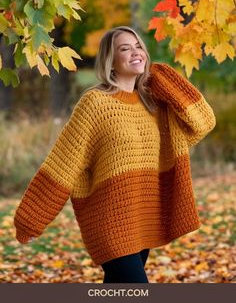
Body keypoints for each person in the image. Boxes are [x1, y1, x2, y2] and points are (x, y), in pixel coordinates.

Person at [14, 26, 216, 283]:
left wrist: (162, 77)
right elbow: (63, 163)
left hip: (143, 218)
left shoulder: (154, 105)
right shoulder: (95, 103)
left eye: (138, 46)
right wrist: (31, 219)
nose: (135, 52)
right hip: (110, 222)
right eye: (125, 48)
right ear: (110, 61)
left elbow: (203, 121)